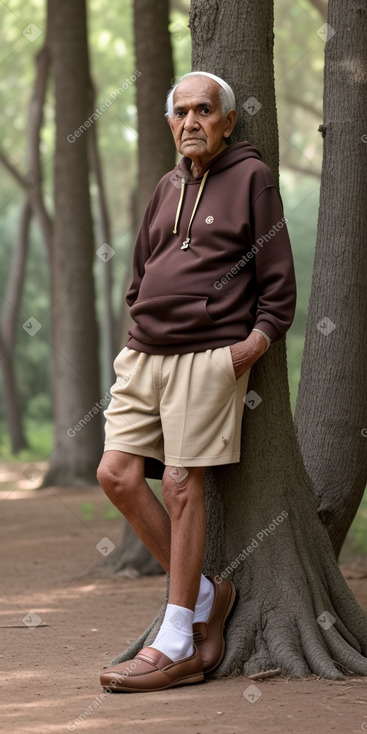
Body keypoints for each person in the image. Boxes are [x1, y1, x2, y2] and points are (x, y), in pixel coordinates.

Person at [97, 71, 296, 692]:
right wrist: (140, 327)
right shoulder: (164, 187)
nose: (191, 122)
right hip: (143, 356)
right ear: (169, 123)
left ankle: (179, 638)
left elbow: (278, 286)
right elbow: (138, 276)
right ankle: (211, 592)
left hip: (209, 357)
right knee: (115, 474)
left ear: (228, 121)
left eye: (204, 111)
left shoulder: (252, 179)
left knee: (183, 484)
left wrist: (248, 349)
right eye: (180, 112)